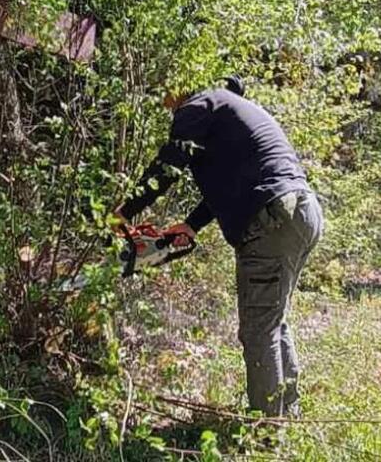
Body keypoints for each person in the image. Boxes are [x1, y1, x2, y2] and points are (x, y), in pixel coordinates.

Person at [114, 76, 323, 416]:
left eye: (162, 89)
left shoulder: (197, 105)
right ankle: (287, 413)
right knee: (273, 320)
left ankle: (266, 432)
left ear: (179, 84)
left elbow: (168, 166)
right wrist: (191, 225)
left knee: (259, 330)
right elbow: (234, 180)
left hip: (272, 217)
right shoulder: (229, 110)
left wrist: (124, 212)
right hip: (301, 213)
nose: (161, 98)